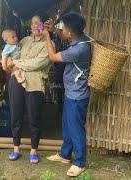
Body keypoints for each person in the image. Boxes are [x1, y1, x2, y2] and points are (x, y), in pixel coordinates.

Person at [42, 12, 92, 177]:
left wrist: (47, 36)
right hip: (72, 92)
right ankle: (65, 155)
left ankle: (80, 162)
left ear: (70, 33)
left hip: (77, 96)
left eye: (63, 29)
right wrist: (54, 30)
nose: (61, 30)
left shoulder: (79, 49)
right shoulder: (81, 38)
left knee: (76, 128)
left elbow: (53, 56)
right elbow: (65, 35)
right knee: (68, 125)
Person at [7, 15, 51, 164]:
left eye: (38, 23)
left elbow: (38, 64)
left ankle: (33, 150)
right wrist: (11, 62)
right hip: (16, 82)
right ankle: (16, 148)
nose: (34, 26)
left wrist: (17, 63)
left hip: (34, 84)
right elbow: (11, 55)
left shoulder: (48, 45)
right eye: (32, 23)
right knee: (15, 115)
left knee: (34, 117)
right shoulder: (24, 41)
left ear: (44, 26)